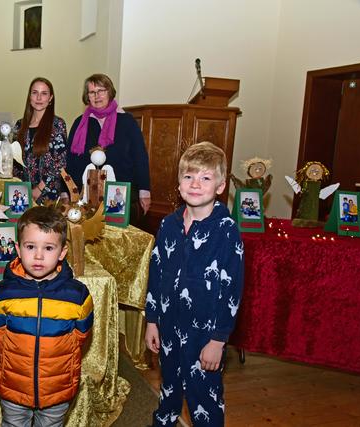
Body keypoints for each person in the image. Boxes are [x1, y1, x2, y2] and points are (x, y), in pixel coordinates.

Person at [144, 142, 244, 426]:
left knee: (205, 402)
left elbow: (232, 291)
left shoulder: (226, 231)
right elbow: (156, 274)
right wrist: (152, 321)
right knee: (168, 394)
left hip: (205, 335)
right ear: (179, 184)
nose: (196, 184)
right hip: (168, 327)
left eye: (206, 177)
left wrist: (218, 340)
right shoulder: (168, 226)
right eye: (189, 177)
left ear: (221, 186)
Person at [0, 206, 93, 426]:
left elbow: (81, 336)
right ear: (18, 248)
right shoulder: (2, 292)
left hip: (57, 386)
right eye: (30, 246)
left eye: (49, 248)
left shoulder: (78, 295)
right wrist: (12, 356)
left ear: (62, 252)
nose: (39, 256)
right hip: (14, 384)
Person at [66, 74, 151, 224]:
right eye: (92, 92)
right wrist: (65, 191)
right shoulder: (80, 123)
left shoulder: (127, 121)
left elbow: (140, 157)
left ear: (110, 92)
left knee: (116, 238)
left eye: (101, 90)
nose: (97, 96)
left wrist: (144, 191)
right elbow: (70, 160)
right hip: (86, 195)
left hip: (120, 193)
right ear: (87, 96)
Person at [14, 77, 68, 204]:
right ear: (29, 96)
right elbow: (14, 163)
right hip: (21, 194)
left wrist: (39, 189)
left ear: (50, 98)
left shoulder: (58, 124)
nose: (39, 98)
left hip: (48, 195)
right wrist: (21, 189)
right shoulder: (19, 125)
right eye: (35, 93)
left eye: (44, 94)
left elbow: (60, 163)